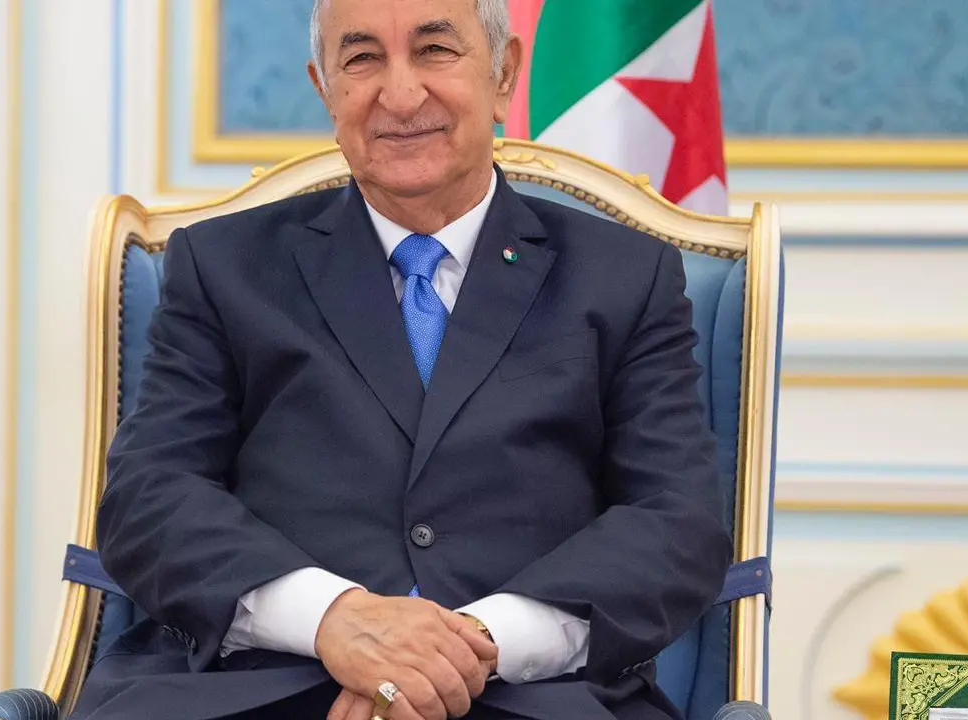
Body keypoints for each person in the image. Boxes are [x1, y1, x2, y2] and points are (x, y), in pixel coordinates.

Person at [72, 0, 731, 718]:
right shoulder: (223, 267)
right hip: (257, 689)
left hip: (527, 696)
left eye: (434, 50)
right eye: (361, 59)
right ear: (326, 90)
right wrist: (333, 619)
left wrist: (472, 645)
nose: (401, 94)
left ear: (504, 74)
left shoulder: (624, 277)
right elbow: (150, 497)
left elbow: (677, 520)